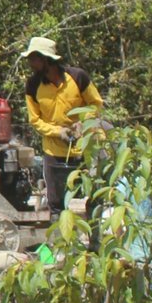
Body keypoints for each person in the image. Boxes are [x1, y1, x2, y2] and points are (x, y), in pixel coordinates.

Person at [20, 35, 104, 213]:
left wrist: (83, 123)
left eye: (34, 59)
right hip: (54, 152)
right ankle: (59, 230)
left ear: (46, 59)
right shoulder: (33, 85)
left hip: (84, 149)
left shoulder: (77, 77)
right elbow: (35, 120)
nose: (30, 63)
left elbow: (95, 103)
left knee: (95, 198)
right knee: (56, 204)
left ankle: (95, 231)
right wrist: (57, 132)